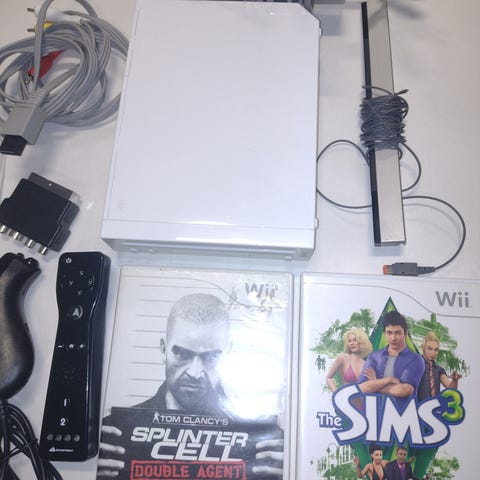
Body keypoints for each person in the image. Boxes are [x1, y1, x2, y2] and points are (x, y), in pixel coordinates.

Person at [97, 293, 283, 479]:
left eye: (210, 357)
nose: (195, 372)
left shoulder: (266, 443)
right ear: (163, 350)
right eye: (183, 355)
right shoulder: (113, 434)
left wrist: (290, 470)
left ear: (229, 353)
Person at [357, 311, 425, 405]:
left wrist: (374, 384)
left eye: (398, 333)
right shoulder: (374, 357)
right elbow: (361, 388)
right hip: (375, 412)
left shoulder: (415, 359)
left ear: (405, 333)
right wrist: (388, 380)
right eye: (389, 333)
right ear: (384, 333)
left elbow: (404, 390)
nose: (393, 338)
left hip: (402, 413)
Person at [417, 331, 462, 402]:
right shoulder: (416, 365)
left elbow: (450, 388)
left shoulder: (439, 370)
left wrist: (454, 380)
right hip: (419, 405)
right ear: (423, 348)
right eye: (429, 349)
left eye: (436, 350)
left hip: (435, 406)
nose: (433, 353)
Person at [326, 327, 373, 392]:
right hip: (346, 397)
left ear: (362, 342)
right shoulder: (343, 357)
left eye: (355, 340)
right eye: (349, 341)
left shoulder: (366, 364)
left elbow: (371, 386)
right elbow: (328, 378)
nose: (352, 343)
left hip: (363, 397)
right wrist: (336, 393)